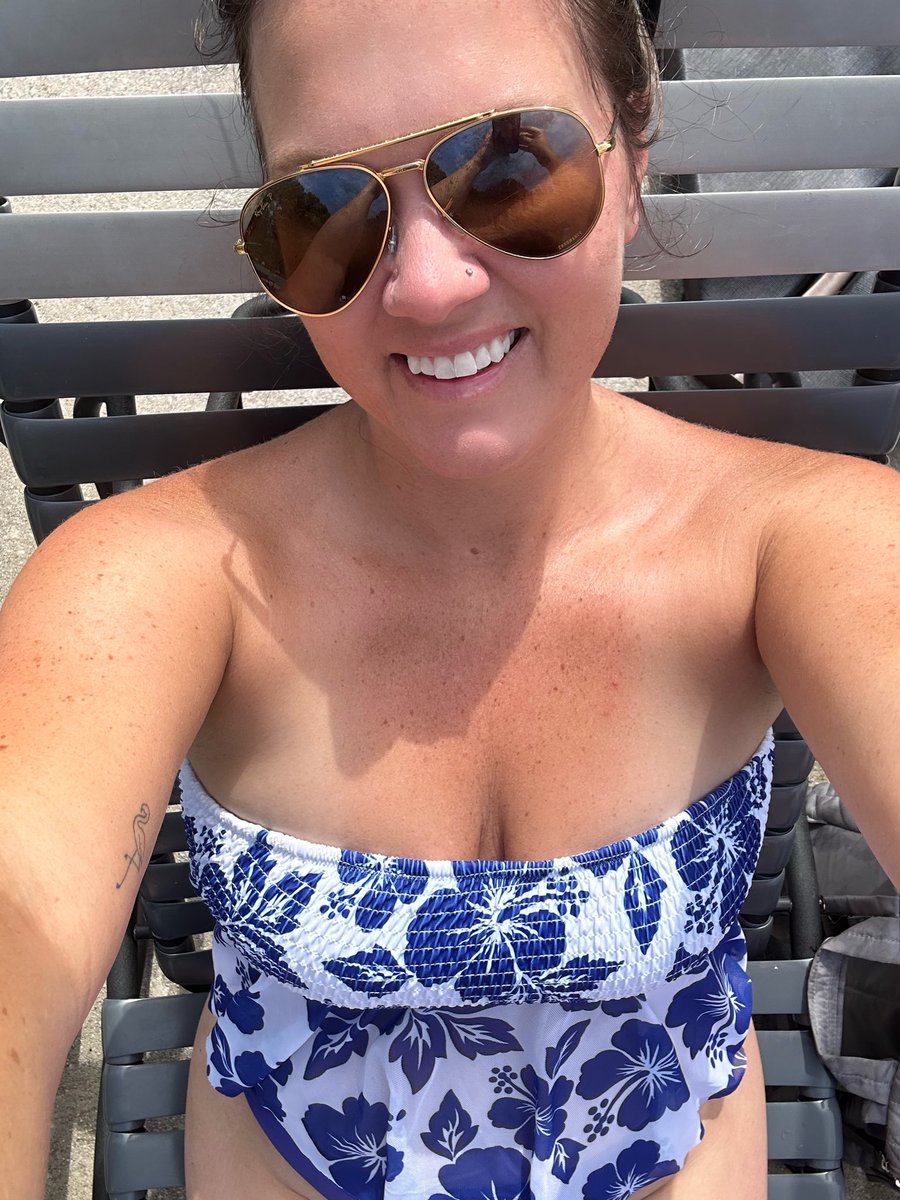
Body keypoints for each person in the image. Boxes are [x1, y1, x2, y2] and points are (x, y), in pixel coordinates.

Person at [0, 0, 898, 1197]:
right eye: (325, 211)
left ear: (634, 150)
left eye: (512, 166)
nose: (425, 286)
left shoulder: (799, 542)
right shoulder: (164, 576)